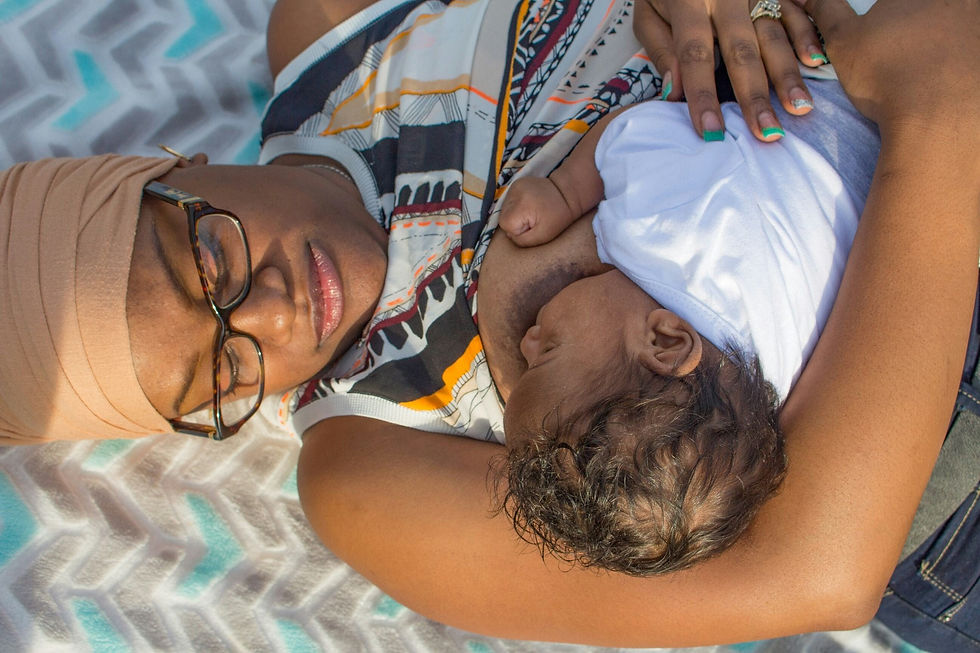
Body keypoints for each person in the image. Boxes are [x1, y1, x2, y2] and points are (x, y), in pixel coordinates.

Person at [0, 0, 976, 650]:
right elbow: (810, 570)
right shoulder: (364, 463)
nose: (268, 313)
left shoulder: (338, 29)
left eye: (205, 261)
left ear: (170, 167)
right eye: (221, 378)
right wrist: (940, 116)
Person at [490, 86, 871, 574]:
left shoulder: (784, 374)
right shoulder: (660, 228)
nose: (527, 340)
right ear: (666, 341)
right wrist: (565, 192)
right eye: (546, 354)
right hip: (824, 91)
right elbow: (635, 129)